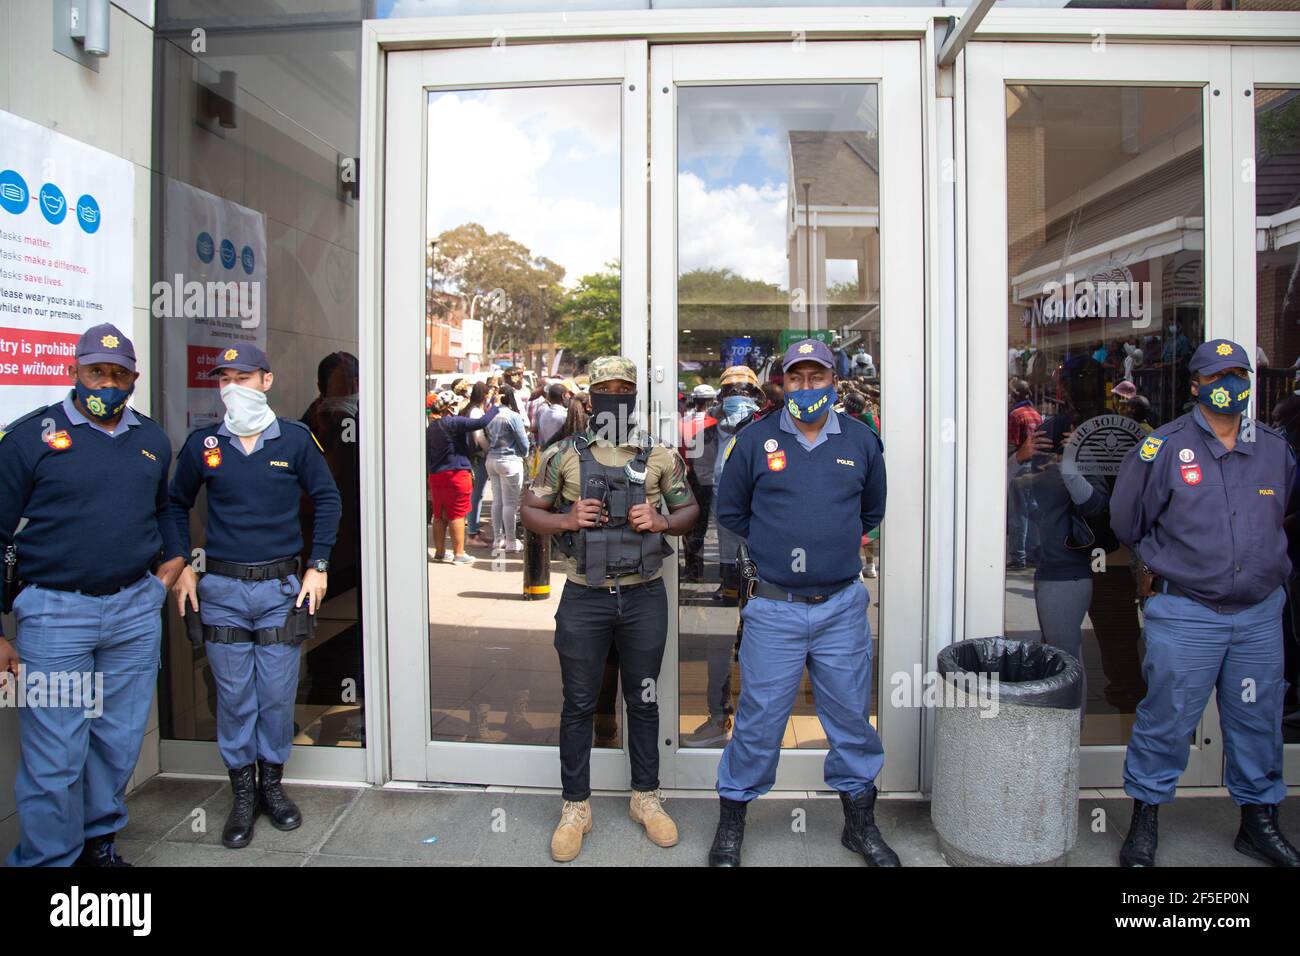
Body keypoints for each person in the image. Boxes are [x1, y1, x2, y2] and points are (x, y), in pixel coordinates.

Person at [0, 323, 187, 866]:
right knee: (54, 754)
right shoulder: (27, 439)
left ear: (134, 378)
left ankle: (97, 845)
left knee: (116, 741)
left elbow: (163, 510)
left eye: (119, 373)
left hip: (134, 610)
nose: (107, 383)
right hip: (56, 617)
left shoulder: (151, 439)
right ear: (74, 371)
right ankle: (47, 861)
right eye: (96, 372)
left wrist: (172, 563)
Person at [1109, 338, 1299, 867]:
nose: (1229, 385)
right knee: (1166, 718)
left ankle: (1258, 823)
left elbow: (1285, 513)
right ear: (1195, 385)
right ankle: (1145, 819)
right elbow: (1129, 522)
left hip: (1259, 616)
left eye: (1238, 374)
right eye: (1217, 377)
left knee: (1259, 720)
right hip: (1186, 612)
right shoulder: (1163, 448)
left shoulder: (1275, 449)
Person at [709, 338, 895, 868]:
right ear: (782, 384)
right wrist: (777, 549)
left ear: (833, 382)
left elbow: (871, 512)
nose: (806, 387)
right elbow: (733, 511)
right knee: (758, 719)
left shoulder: (861, 440)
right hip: (774, 608)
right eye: (796, 378)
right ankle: (732, 823)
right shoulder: (754, 440)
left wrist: (827, 549)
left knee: (852, 720)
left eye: (817, 378)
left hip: (841, 607)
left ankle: (859, 827)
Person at [519, 355, 699, 862]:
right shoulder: (563, 455)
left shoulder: (660, 454)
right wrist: (568, 519)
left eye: (625, 389)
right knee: (579, 704)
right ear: (592, 396)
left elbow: (690, 510)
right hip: (585, 597)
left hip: (643, 597)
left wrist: (662, 522)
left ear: (635, 396)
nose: (615, 397)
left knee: (643, 702)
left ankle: (646, 798)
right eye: (606, 389)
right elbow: (529, 511)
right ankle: (576, 806)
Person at [167, 343, 341, 849]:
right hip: (220, 588)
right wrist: (180, 565)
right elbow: (176, 504)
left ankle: (273, 787)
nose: (233, 387)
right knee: (235, 697)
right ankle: (242, 794)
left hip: (280, 588)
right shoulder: (203, 445)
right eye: (225, 379)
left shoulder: (295, 440)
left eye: (243, 377)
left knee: (276, 694)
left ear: (266, 380)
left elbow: (328, 499)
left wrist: (319, 565)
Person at [427, 387, 499, 564]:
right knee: (457, 514)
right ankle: (459, 554)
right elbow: (482, 422)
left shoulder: (433, 427)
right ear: (450, 407)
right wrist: (496, 406)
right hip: (457, 474)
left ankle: (440, 553)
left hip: (436, 476)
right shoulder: (453, 422)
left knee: (440, 515)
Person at [485, 384, 530, 554]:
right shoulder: (513, 416)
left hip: (491, 459)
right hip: (510, 460)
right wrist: (524, 453)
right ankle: (511, 541)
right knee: (510, 503)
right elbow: (523, 441)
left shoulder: (490, 415)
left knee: (498, 501)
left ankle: (498, 538)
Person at [464, 382, 493, 549]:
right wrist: (488, 450)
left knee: (477, 494)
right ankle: (472, 533)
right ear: (484, 395)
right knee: (477, 494)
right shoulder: (475, 412)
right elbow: (479, 436)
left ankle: (474, 530)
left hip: (476, 456)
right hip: (478, 457)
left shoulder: (472, 409)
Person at [535, 381, 569, 449]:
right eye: (568, 395)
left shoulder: (543, 414)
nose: (569, 397)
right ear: (563, 396)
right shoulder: (564, 416)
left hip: (547, 453)